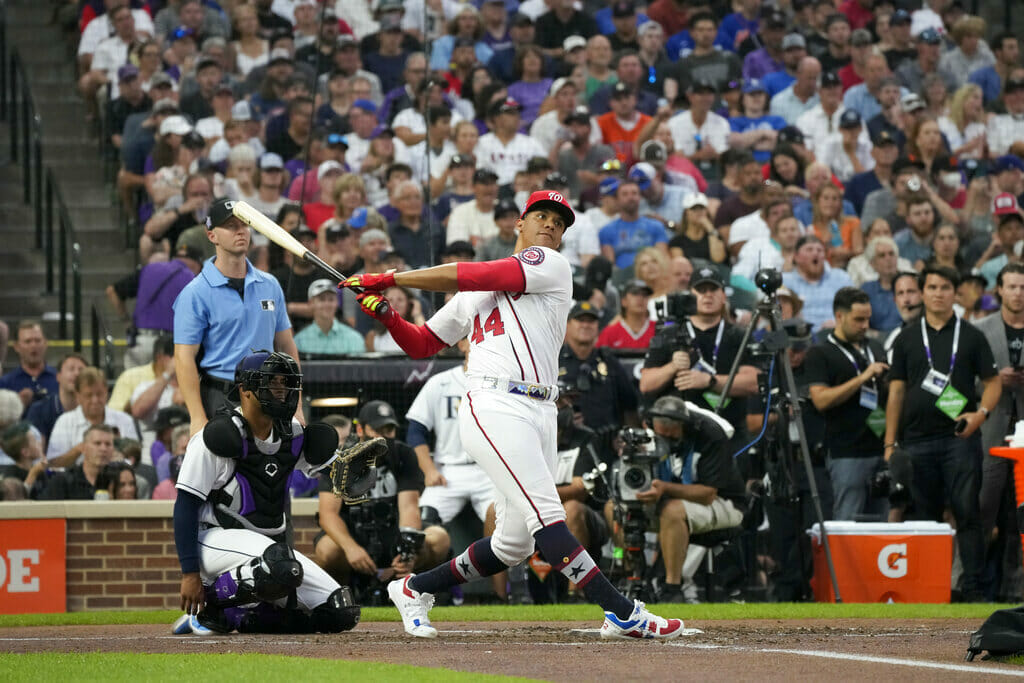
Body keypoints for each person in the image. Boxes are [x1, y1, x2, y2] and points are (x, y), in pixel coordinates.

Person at [344, 190, 684, 639]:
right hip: (494, 401)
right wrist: (388, 315)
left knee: (514, 542)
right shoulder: (475, 291)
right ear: (519, 224)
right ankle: (620, 611)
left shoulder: (550, 264)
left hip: (541, 408)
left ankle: (413, 588)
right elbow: (422, 343)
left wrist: (390, 278)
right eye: (540, 216)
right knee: (548, 514)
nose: (550, 225)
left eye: (559, 223)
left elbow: (479, 273)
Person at [171, 351, 362, 635]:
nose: (281, 391)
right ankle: (211, 607)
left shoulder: (293, 434)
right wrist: (189, 573)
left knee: (341, 610)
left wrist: (358, 473)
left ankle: (245, 616)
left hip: (268, 551)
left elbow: (341, 475)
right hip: (213, 540)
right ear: (245, 390)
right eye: (272, 383)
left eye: (285, 383)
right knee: (281, 564)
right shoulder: (215, 437)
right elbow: (184, 507)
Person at [884, 265, 1000, 602]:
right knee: (925, 519)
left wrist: (981, 414)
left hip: (958, 439)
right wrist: (890, 442)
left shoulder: (972, 334)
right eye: (932, 287)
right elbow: (896, 392)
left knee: (968, 513)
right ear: (921, 293)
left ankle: (974, 589)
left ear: (956, 292)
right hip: (916, 441)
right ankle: (927, 588)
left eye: (945, 287)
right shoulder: (906, 337)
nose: (938, 293)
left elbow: (992, 383)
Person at [173, 198, 302, 436]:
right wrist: (197, 417)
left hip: (269, 390)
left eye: (244, 224)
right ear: (212, 235)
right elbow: (183, 357)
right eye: (231, 226)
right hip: (221, 394)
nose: (240, 231)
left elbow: (287, 346)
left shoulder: (270, 284)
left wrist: (298, 406)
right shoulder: (195, 293)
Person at [313, 399, 450, 592]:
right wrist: (351, 548)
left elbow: (409, 507)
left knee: (439, 538)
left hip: (394, 531)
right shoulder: (341, 459)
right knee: (328, 549)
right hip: (354, 532)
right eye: (377, 430)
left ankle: (417, 591)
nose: (384, 437)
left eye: (389, 430)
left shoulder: (403, 454)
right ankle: (342, 596)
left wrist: (407, 554)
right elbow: (328, 514)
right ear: (360, 430)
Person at [404, 338, 505, 599]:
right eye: (471, 339)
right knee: (423, 526)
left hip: (489, 471)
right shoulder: (441, 382)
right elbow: (415, 430)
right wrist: (428, 469)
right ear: (461, 345)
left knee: (504, 522)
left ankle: (503, 598)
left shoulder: (502, 381)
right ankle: (416, 590)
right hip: (448, 471)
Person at [632, 395, 746, 602]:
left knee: (672, 511)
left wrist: (664, 488)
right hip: (668, 498)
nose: (665, 441)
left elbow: (708, 494)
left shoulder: (711, 435)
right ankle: (635, 580)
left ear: (684, 427)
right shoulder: (649, 433)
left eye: (671, 437)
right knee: (617, 508)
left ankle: (672, 588)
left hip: (725, 502)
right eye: (661, 435)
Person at [640, 267, 759, 450]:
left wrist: (710, 381)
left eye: (713, 290)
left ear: (723, 296)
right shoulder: (668, 334)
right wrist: (672, 367)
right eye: (701, 290)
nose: (707, 296)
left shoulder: (739, 335)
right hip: (678, 434)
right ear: (690, 295)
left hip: (728, 431)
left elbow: (753, 383)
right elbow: (646, 384)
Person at [805, 288, 888, 521]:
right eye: (858, 319)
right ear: (839, 317)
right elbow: (820, 400)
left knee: (881, 527)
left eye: (868, 319)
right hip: (846, 452)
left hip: (880, 447)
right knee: (848, 524)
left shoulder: (875, 348)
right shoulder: (820, 353)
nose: (865, 325)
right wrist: (862, 378)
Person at [976, 263, 1024, 585]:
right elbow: (966, 380)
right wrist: (994, 381)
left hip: (1023, 426)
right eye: (1012, 287)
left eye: (1023, 288)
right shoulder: (980, 329)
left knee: (1021, 512)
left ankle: (1016, 585)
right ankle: (970, 580)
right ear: (999, 290)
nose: (1018, 294)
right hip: (990, 426)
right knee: (983, 505)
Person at [106, 245, 203, 369]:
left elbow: (112, 291)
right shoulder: (193, 280)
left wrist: (126, 321)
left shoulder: (148, 270)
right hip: (171, 347)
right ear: (198, 263)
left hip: (141, 341)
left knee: (135, 386)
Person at [46, 367, 140, 464]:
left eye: (99, 394)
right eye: (88, 395)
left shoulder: (124, 420)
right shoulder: (64, 422)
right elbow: (53, 464)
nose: (95, 400)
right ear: (77, 396)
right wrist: (79, 450)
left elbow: (135, 459)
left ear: (106, 392)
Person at [782, 236, 854, 332]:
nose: (815, 253)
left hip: (836, 333)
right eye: (809, 249)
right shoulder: (785, 281)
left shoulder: (841, 277)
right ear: (796, 257)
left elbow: (853, 308)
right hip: (801, 336)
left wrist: (840, 323)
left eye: (820, 250)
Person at [599, 180, 670, 269]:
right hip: (620, 278)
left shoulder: (656, 227)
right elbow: (610, 265)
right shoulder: (606, 231)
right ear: (617, 199)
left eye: (634, 193)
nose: (631, 197)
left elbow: (663, 260)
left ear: (640, 197)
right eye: (625, 194)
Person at [39, 424, 117, 501]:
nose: (103, 449)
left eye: (108, 444)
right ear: (83, 448)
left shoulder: (118, 480)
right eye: (97, 443)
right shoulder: (63, 482)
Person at [293, 279, 365, 355]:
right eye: (322, 299)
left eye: (331, 299)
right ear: (311, 303)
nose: (327, 304)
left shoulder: (354, 338)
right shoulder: (299, 341)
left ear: (337, 303)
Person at [25, 354, 86, 444]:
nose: (76, 374)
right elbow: (36, 454)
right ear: (58, 377)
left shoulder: (95, 410)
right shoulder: (39, 410)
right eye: (71, 369)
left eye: (81, 370)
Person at [0, 321, 58, 411]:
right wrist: (17, 405)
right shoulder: (5, 383)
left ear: (46, 343)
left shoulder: (59, 379)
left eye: (38, 340)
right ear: (16, 347)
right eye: (28, 341)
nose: (33, 345)